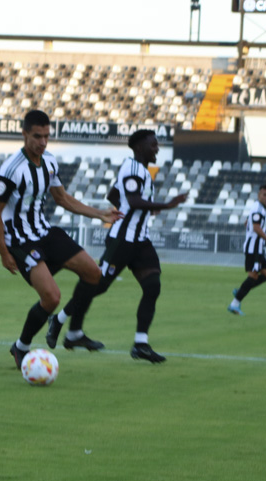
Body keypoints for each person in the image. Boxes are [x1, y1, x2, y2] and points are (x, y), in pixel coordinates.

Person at [0, 110, 122, 369]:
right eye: (37, 136)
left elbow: (62, 198)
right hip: (21, 241)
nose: (43, 142)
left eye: (47, 136)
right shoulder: (11, 169)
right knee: (51, 297)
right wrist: (4, 253)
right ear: (24, 134)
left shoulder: (49, 162)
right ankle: (21, 347)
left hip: (45, 231)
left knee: (94, 274)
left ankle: (66, 327)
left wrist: (100, 213)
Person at [46, 129, 185, 363]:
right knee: (97, 285)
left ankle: (140, 344)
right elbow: (131, 200)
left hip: (141, 241)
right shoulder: (132, 169)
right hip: (123, 240)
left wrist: (141, 208)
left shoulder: (139, 170)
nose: (157, 149)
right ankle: (59, 321)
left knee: (152, 287)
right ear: (140, 148)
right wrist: (166, 204)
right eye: (153, 145)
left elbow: (114, 195)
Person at [228, 184, 266, 315]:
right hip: (254, 249)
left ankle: (241, 290)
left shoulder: (260, 208)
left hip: (258, 248)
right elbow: (256, 228)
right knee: (253, 276)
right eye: (265, 195)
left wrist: (249, 225)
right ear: (259, 195)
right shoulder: (258, 209)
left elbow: (248, 223)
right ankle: (234, 304)